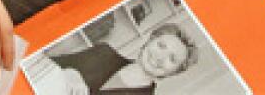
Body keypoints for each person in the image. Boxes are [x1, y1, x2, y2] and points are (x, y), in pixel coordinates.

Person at [49, 23, 198, 94]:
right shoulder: (103, 52)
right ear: (150, 41)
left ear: (173, 72)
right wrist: (71, 73)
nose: (160, 57)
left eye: (172, 59)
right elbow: (45, 63)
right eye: (161, 45)